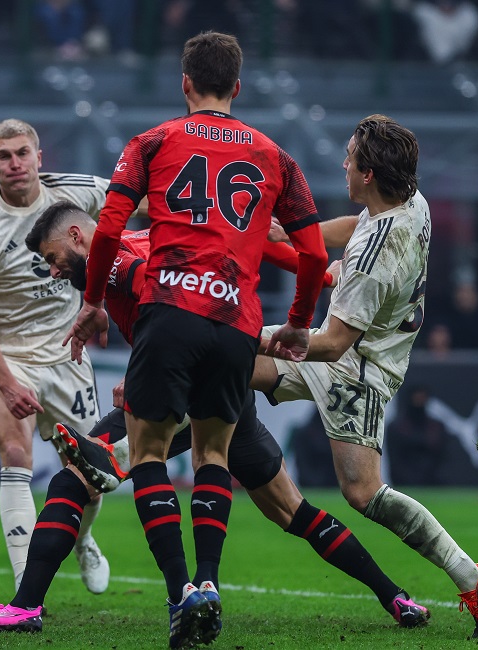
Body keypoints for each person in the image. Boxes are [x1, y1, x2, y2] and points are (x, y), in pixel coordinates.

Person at [0, 201, 429, 636]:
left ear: (78, 236)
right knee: (290, 509)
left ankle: (32, 604)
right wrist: (322, 277)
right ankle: (396, 596)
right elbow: (238, 254)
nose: (54, 272)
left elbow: (157, 295)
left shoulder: (111, 258)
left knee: (77, 478)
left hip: (184, 378)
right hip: (227, 370)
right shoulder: (139, 244)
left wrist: (145, 372)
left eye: (54, 258)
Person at [65, 32, 329, 648]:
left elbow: (107, 230)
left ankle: (182, 590)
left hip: (169, 310)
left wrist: (95, 301)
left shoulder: (153, 141)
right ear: (238, 87)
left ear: (184, 83)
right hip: (237, 321)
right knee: (214, 456)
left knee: (149, 452)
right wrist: (295, 320)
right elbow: (313, 253)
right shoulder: (274, 156)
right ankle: (210, 583)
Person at [251, 115, 478, 639]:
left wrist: (260, 333)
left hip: (356, 373)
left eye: (349, 158)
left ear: (368, 174)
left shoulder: (368, 265)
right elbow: (356, 224)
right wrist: (294, 234)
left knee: (362, 493)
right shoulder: (412, 201)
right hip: (354, 351)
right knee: (224, 370)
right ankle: (119, 459)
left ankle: (475, 576)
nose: (343, 164)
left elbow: (330, 343)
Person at [0, 118, 110, 594]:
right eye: (3, 156)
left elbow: (141, 203)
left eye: (22, 153)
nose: (14, 163)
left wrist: (99, 302)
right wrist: (7, 381)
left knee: (90, 472)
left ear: (40, 157)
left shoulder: (76, 191)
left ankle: (83, 541)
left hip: (66, 352)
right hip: (4, 352)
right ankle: (25, 585)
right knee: (15, 453)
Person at [386, 386, 448, 486]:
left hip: (432, 481)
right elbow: (395, 459)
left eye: (422, 398)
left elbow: (442, 455)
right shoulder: (396, 427)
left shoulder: (436, 426)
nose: (419, 401)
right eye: (416, 398)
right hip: (403, 482)